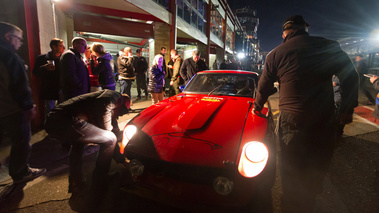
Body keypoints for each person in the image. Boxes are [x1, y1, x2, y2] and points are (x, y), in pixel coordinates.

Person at [253, 15, 359, 213]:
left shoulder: (276, 53)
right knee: (318, 160)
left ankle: (292, 202)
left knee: (292, 165)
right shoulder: (327, 46)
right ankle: (310, 196)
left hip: (292, 119)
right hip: (323, 118)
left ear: (284, 33)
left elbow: (264, 86)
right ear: (305, 28)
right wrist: (347, 110)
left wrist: (257, 107)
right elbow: (351, 76)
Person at [44, 90, 130, 194]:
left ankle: (75, 181)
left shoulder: (108, 106)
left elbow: (113, 128)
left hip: (53, 120)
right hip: (67, 120)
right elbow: (104, 105)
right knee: (110, 138)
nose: (118, 116)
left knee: (79, 142)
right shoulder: (115, 96)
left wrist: (121, 160)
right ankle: (100, 179)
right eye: (121, 113)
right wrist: (107, 128)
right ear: (121, 103)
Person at [0, 22, 46, 184]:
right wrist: (28, 106)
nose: (20, 43)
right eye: (18, 39)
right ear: (7, 37)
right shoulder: (10, 56)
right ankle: (20, 172)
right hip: (13, 108)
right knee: (21, 141)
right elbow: (18, 85)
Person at [32, 38, 65, 115]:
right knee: (50, 110)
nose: (64, 48)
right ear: (54, 47)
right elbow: (35, 72)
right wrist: (44, 67)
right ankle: (50, 126)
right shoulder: (42, 58)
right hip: (49, 88)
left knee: (63, 108)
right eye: (61, 46)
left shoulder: (64, 58)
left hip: (62, 87)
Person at [60, 37, 90, 101]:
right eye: (83, 45)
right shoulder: (69, 55)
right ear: (75, 44)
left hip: (79, 91)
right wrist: (80, 86)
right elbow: (70, 75)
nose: (85, 48)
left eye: (86, 45)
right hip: (74, 92)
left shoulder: (76, 55)